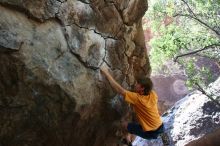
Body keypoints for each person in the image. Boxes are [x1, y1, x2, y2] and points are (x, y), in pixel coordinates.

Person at [100, 67, 165, 146]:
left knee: (123, 124)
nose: (135, 84)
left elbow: (119, 90)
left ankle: (128, 143)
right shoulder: (152, 94)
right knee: (130, 126)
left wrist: (106, 73)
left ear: (142, 88)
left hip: (150, 132)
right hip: (160, 126)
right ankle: (128, 138)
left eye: (138, 84)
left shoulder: (138, 99)